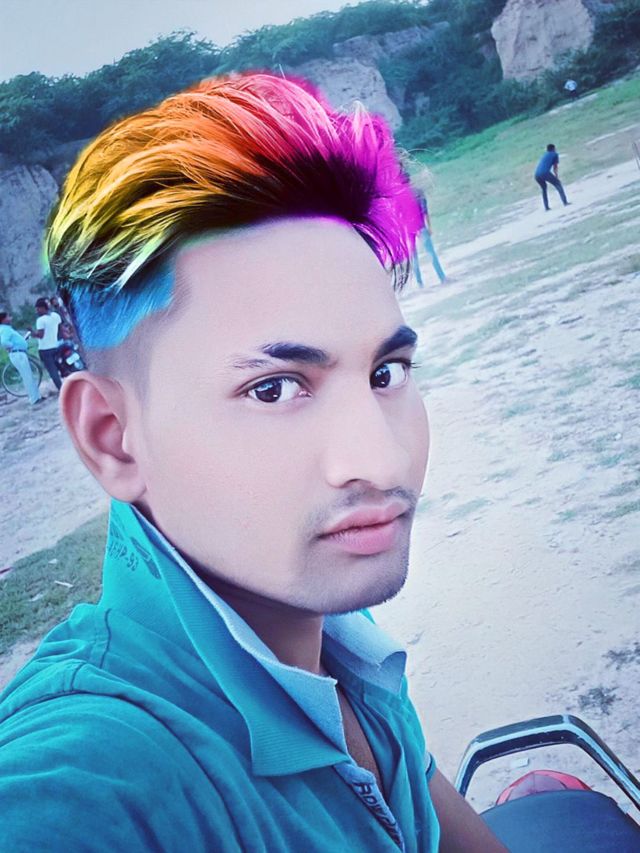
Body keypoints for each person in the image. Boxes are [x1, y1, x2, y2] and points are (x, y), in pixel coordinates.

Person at [0, 75, 507, 852]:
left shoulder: (331, 628)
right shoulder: (96, 778)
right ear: (112, 438)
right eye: (274, 388)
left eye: (386, 373)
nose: (380, 457)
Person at [0, 311, 42, 404]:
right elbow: (4, 342)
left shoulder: (6, 329)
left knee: (28, 375)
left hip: (18, 353)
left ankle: (37, 396)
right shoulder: (5, 330)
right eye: (8, 317)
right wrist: (12, 345)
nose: (10, 318)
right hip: (17, 353)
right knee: (27, 376)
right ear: (3, 319)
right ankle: (34, 399)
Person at [414, 190, 447, 287]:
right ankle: (442, 278)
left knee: (414, 258)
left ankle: (420, 284)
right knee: (431, 254)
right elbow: (425, 212)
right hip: (421, 227)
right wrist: (429, 227)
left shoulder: (400, 196)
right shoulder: (419, 193)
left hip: (409, 232)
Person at [30, 297, 62, 390]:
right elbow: (60, 329)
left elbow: (40, 335)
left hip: (45, 349)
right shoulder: (55, 316)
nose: (36, 311)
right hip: (56, 346)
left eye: (37, 309)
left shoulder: (40, 320)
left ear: (43, 308)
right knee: (60, 367)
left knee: (53, 372)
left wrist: (32, 331)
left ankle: (61, 389)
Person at [534, 143, 570, 211]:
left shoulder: (544, 155)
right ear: (553, 149)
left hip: (536, 175)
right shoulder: (555, 154)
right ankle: (565, 202)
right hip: (545, 173)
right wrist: (556, 177)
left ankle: (546, 207)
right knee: (558, 184)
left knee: (544, 189)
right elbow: (555, 167)